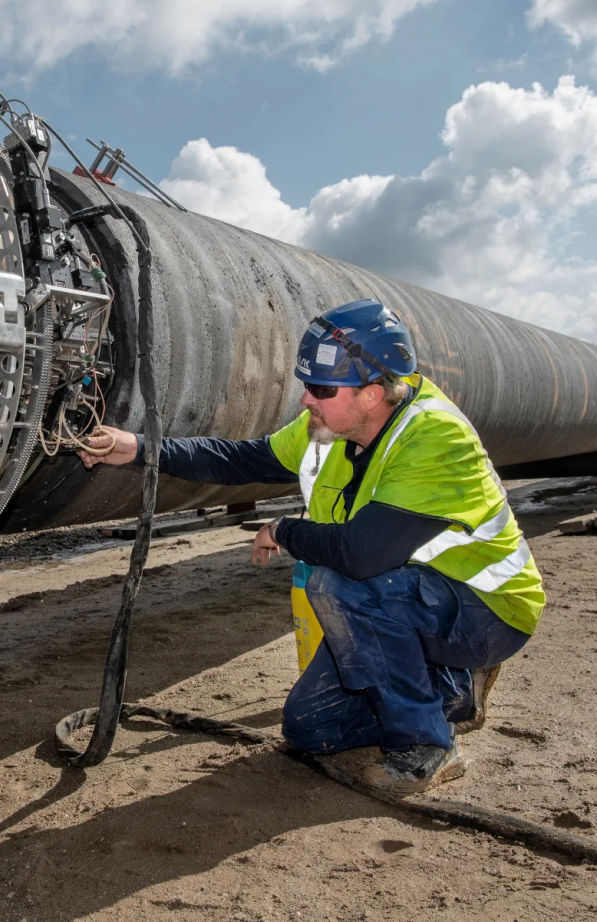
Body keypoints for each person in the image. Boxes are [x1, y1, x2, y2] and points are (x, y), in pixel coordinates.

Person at [79, 299, 545, 793]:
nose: (306, 400)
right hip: (408, 602)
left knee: (339, 583)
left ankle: (426, 745)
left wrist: (283, 530)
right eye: (307, 385)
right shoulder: (333, 427)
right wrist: (141, 448)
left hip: (486, 612)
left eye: (321, 388)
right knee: (311, 729)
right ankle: (454, 689)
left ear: (371, 394)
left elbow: (361, 555)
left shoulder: (434, 436)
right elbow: (242, 460)